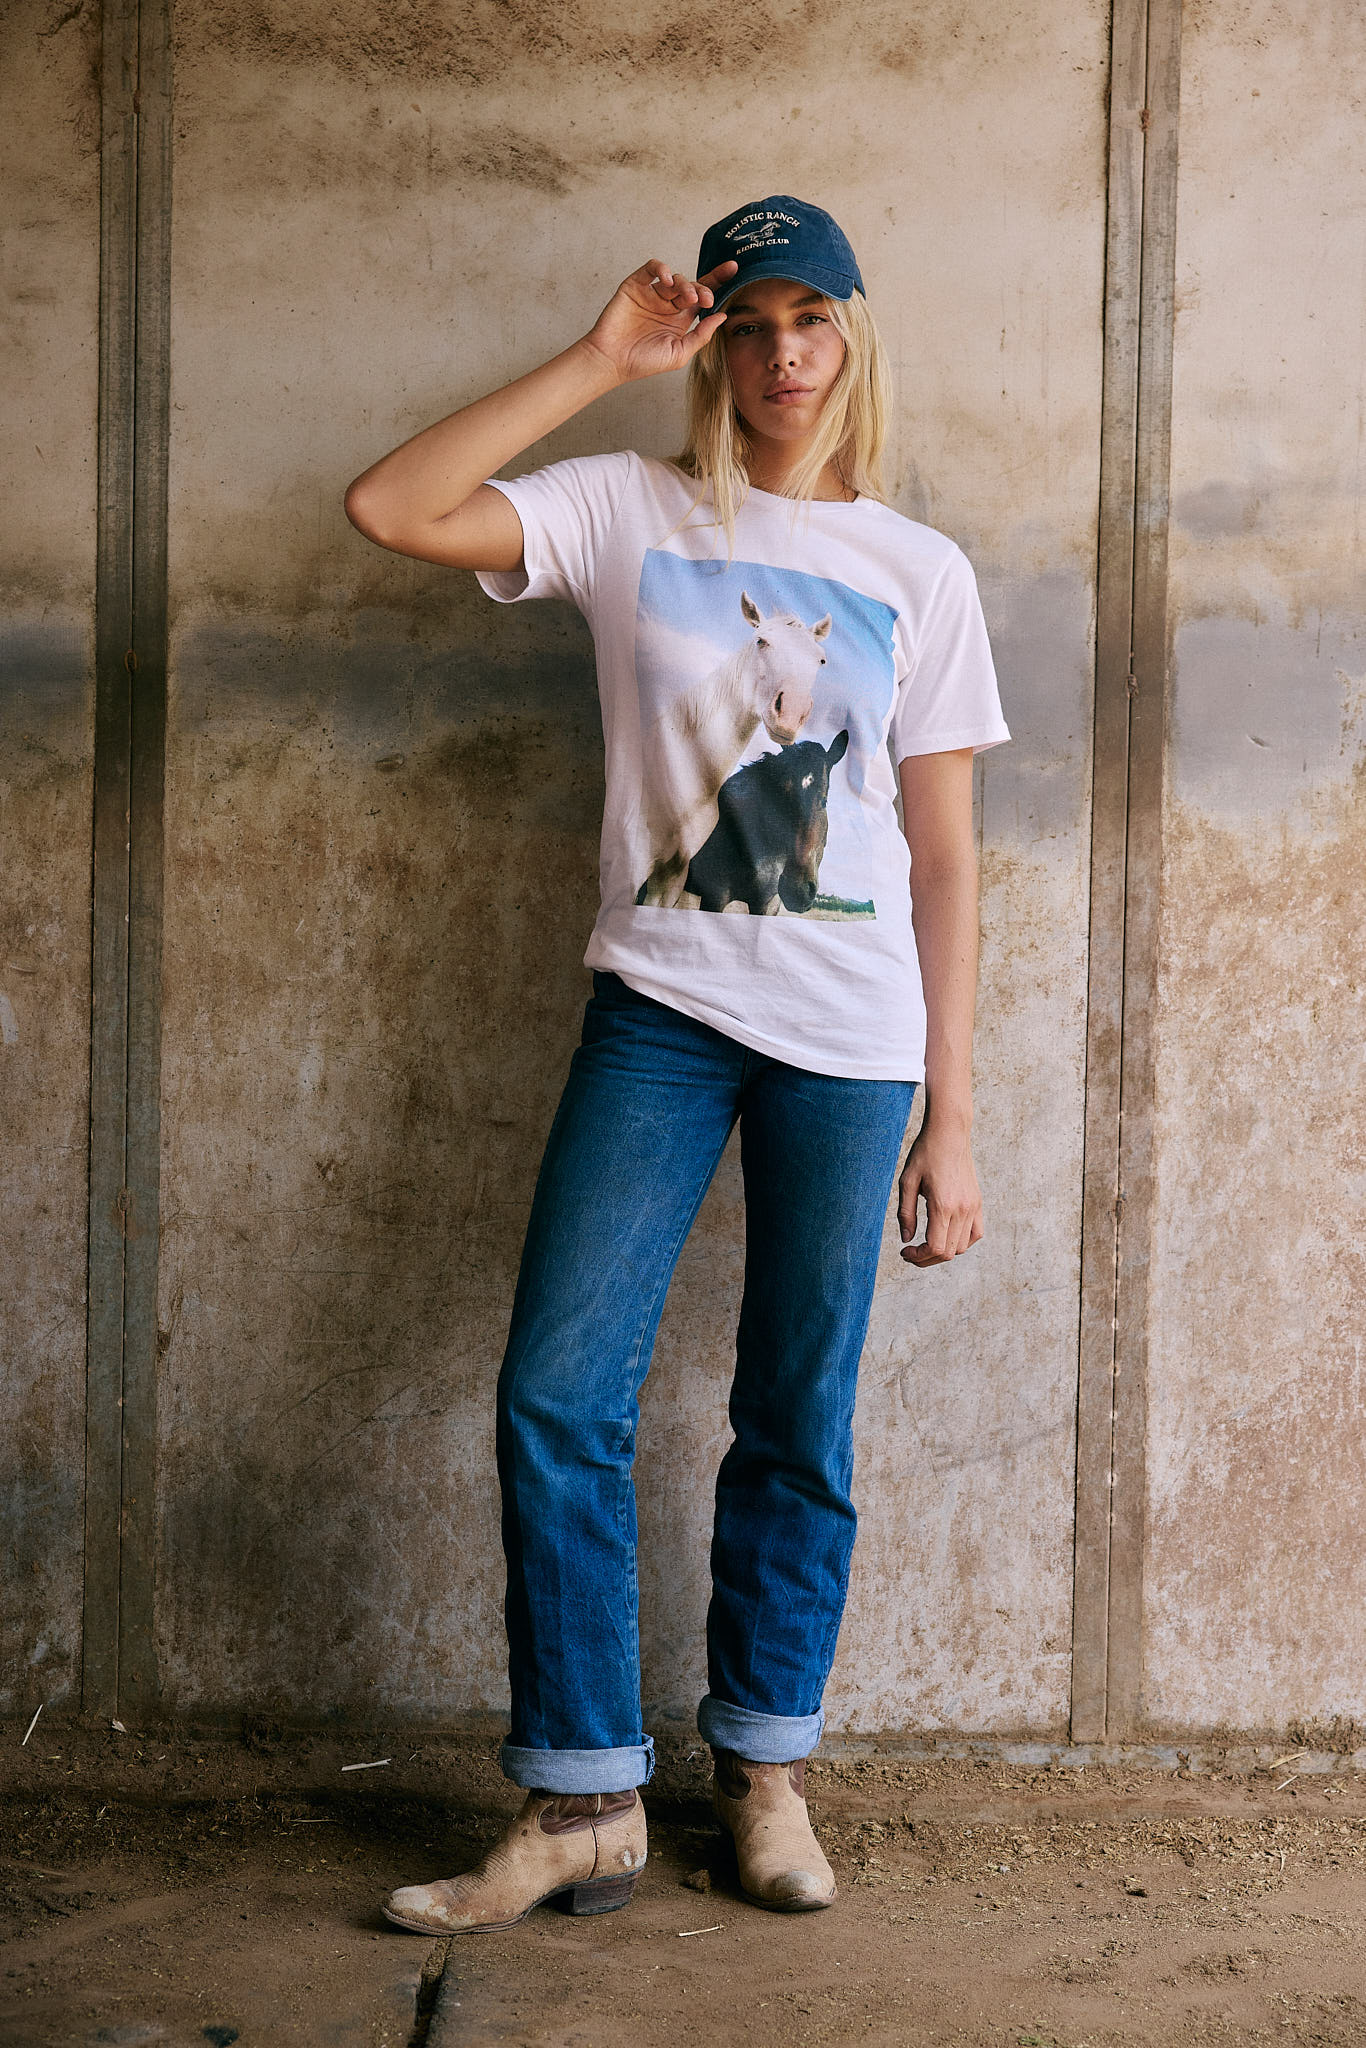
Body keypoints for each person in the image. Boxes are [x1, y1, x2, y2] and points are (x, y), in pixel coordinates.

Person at [344, 195, 1009, 1934]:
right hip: (657, 1012)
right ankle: (579, 1802)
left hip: (852, 1044)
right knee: (558, 1397)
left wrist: (955, 1115)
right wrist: (596, 358)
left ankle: (765, 1775)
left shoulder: (916, 572)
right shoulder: (626, 511)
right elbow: (388, 507)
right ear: (711, 338)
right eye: (749, 320)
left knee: (796, 1416)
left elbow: (942, 861)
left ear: (853, 336)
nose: (781, 353)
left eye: (811, 318)